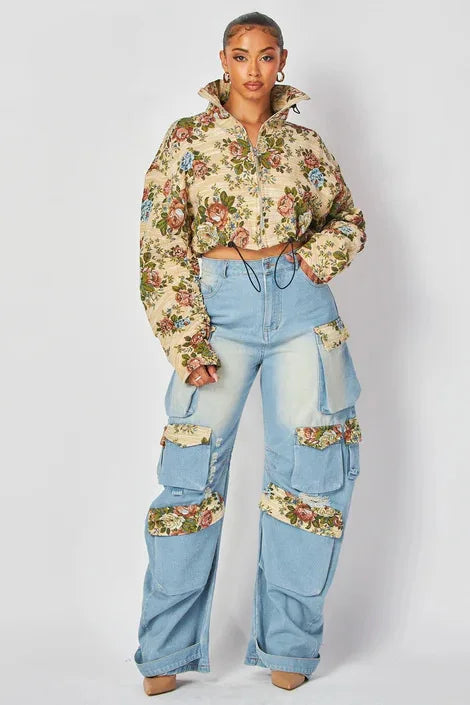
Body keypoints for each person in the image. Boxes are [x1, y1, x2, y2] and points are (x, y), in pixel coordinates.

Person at [134, 11, 367, 695]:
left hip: (300, 307)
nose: (254, 69)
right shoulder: (188, 140)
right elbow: (159, 242)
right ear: (223, 60)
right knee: (190, 476)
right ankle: (164, 651)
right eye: (241, 55)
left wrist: (313, 260)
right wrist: (186, 337)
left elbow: (348, 219)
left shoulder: (306, 145)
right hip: (219, 311)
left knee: (310, 475)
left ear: (282, 61)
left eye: (266, 56)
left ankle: (290, 644)